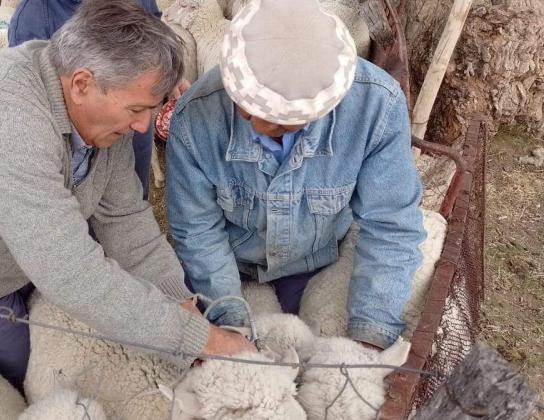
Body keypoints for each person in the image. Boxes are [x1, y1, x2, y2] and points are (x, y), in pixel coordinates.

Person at [0, 0, 253, 391]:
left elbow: (124, 220)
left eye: (149, 110)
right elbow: (70, 274)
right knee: (31, 375)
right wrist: (203, 341)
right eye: (137, 109)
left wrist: (186, 309)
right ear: (82, 83)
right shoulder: (1, 122)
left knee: (88, 347)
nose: (142, 127)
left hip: (29, 242)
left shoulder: (103, 114)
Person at [166, 0, 426, 350]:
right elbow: (197, 233)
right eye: (247, 111)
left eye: (279, 121)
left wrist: (370, 336)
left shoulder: (376, 107)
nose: (258, 125)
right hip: (232, 270)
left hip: (319, 261)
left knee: (324, 358)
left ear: (322, 108)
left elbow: (391, 225)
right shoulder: (194, 120)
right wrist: (232, 328)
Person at [8, 0, 186, 199]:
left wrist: (167, 77)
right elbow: (30, 100)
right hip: (74, 153)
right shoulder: (33, 18)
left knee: (131, 198)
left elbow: (154, 32)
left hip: (130, 134)